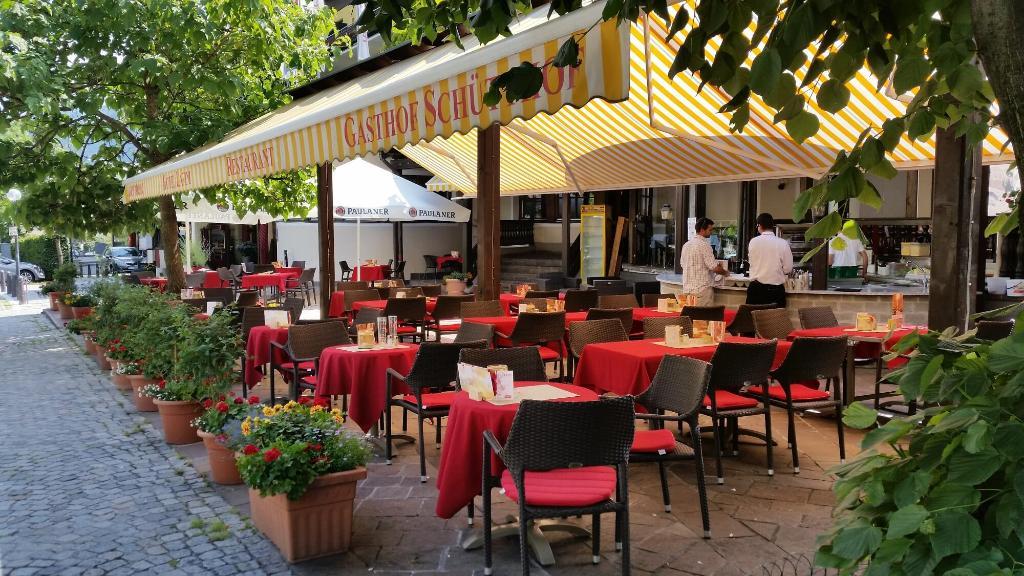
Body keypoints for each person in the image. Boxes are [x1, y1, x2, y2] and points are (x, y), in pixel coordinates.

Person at [679, 217, 729, 306]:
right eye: (710, 230)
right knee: (704, 315)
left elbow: (683, 264)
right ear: (702, 230)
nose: (711, 232)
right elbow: (714, 267)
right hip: (702, 291)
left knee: (690, 315)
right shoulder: (704, 245)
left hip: (687, 290)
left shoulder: (686, 245)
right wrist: (726, 273)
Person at [746, 213, 793, 308]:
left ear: (759, 225)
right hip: (775, 292)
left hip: (756, 289)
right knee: (775, 317)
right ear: (772, 226)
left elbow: (751, 262)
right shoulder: (783, 243)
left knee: (754, 317)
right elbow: (788, 269)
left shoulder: (753, 242)